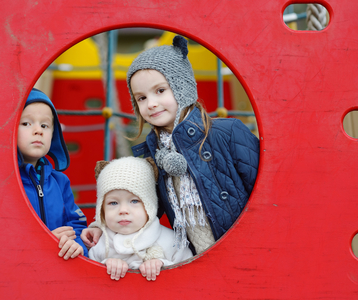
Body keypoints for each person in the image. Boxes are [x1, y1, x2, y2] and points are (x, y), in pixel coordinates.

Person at [83, 35, 260, 255]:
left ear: (181, 88)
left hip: (246, 248)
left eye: (160, 91)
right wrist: (101, 227)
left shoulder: (227, 133)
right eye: (141, 98)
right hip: (197, 259)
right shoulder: (153, 153)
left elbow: (263, 191)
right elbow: (142, 208)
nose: (151, 104)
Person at [88, 157, 192, 281]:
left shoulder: (172, 241)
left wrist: (163, 265)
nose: (123, 210)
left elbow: (189, 273)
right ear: (102, 209)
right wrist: (105, 265)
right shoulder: (99, 243)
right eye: (113, 203)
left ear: (150, 205)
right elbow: (87, 278)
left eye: (134, 201)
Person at [18, 88, 88, 260]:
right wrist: (45, 241)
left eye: (44, 125)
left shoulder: (60, 181)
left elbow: (76, 225)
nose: (38, 131)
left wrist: (76, 245)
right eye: (26, 123)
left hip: (58, 267)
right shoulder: (6, 181)